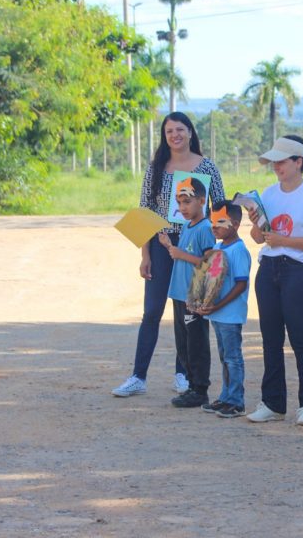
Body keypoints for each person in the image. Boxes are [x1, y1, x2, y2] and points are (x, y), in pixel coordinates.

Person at [113, 112, 225, 398]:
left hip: (194, 244)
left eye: (179, 129)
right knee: (152, 311)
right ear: (165, 136)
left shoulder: (207, 167)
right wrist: (145, 254)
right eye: (169, 131)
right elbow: (145, 214)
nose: (174, 135)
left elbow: (219, 208)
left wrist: (216, 247)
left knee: (186, 311)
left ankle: (183, 374)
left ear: (190, 132)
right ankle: (138, 376)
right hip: (162, 243)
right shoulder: (156, 168)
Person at [245, 135, 303, 427]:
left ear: (299, 161)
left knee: (300, 338)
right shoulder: (269, 194)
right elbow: (260, 237)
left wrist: (286, 241)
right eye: (274, 162)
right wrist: (255, 220)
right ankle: (272, 403)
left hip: (300, 270)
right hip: (269, 267)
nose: (276, 167)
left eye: (281, 161)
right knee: (270, 339)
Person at [162, 177, 216, 408]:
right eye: (179, 202)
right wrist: (168, 246)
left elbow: (210, 262)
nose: (182, 207)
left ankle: (200, 389)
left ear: (202, 201)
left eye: (187, 202)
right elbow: (181, 254)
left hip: (194, 296)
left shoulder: (205, 228)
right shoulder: (186, 226)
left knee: (196, 342)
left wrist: (180, 254)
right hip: (179, 293)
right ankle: (191, 386)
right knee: (183, 343)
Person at [197, 201, 252, 419]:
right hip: (218, 313)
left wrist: (218, 305)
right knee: (224, 357)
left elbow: (241, 284)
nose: (214, 227)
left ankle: (236, 401)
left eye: (220, 222)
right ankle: (226, 396)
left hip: (229, 314)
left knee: (232, 358)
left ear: (236, 224)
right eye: (212, 222)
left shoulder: (239, 250)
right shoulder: (218, 248)